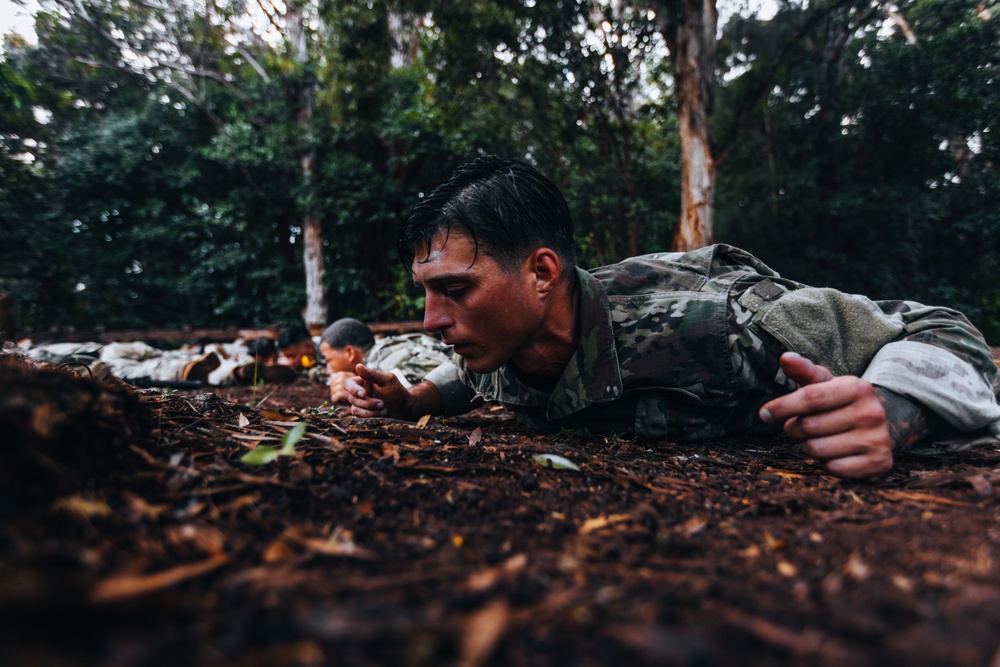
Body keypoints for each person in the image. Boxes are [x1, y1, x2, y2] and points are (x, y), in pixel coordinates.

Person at [344, 155, 1000, 480]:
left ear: (541, 274)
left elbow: (941, 328)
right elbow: (478, 379)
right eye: (426, 292)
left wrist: (891, 409)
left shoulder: (724, 317)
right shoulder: (497, 340)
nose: (431, 319)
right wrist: (411, 399)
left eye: (455, 289)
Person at [318, 318, 454, 403]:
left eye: (328, 360)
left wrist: (372, 391)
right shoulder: (379, 355)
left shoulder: (382, 359)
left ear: (350, 353)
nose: (328, 369)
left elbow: (441, 364)